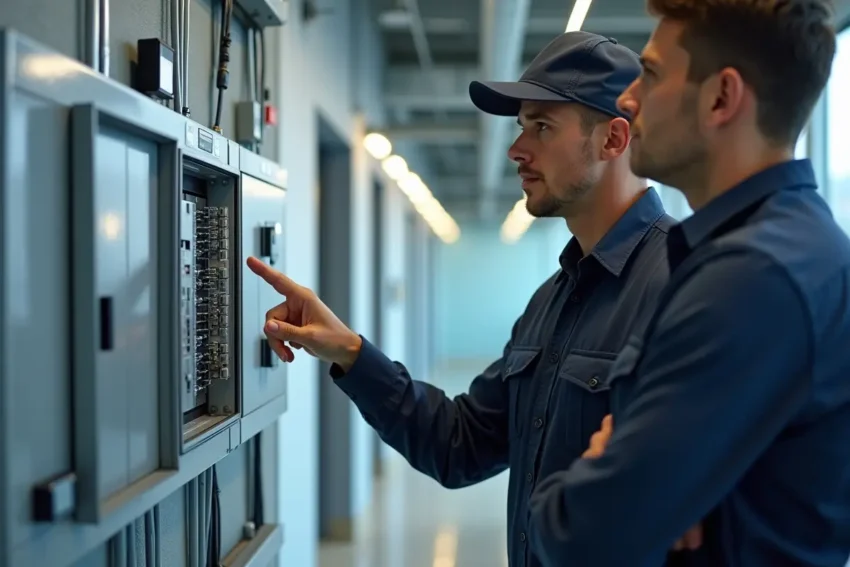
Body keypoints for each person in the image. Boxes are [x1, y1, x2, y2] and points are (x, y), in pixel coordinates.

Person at [248, 31, 681, 566]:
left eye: (542, 127)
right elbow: (461, 444)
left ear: (614, 140)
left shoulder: (684, 285)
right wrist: (351, 354)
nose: (516, 150)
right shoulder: (552, 300)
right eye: (521, 127)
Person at [524, 1, 850, 566]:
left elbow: (584, 535)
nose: (628, 99)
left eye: (650, 75)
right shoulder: (790, 248)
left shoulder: (752, 279)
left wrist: (592, 474)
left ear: (721, 97)